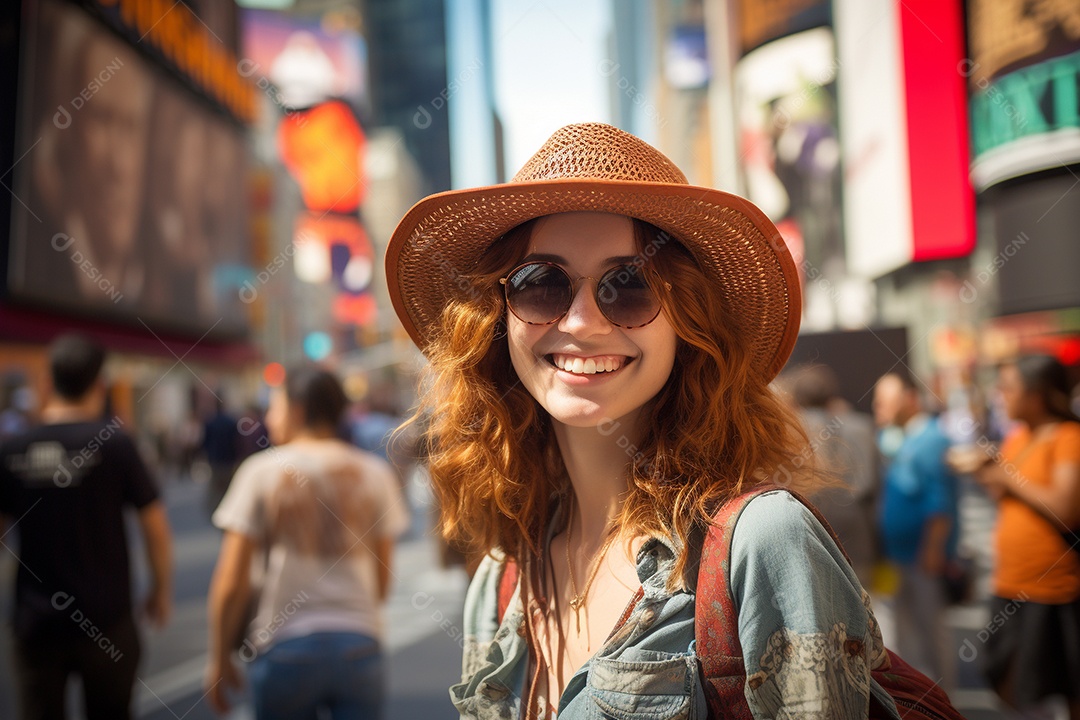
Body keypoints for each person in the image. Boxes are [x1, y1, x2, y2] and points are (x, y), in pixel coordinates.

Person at [387, 123, 907, 719]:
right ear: (496, 321)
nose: (581, 322)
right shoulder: (501, 581)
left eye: (628, 284)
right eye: (540, 284)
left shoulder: (763, 543)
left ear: (690, 323)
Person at [204, 367, 409, 719]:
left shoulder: (260, 472)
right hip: (359, 645)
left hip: (284, 648)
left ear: (296, 410)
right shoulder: (375, 473)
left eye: (276, 406)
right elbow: (382, 580)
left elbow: (231, 580)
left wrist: (219, 657)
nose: (269, 417)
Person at [0, 334, 172, 720]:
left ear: (46, 383)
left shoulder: (13, 450)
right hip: (107, 621)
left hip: (36, 625)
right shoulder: (116, 446)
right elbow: (155, 527)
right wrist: (160, 590)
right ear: (100, 385)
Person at [967, 355, 1080, 719]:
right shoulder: (1017, 438)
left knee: (1052, 686)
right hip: (1010, 582)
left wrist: (1006, 479)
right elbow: (1009, 494)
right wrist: (989, 475)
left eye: (1008, 388)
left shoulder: (1068, 438)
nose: (1000, 396)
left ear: (1038, 395)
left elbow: (1065, 508)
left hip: (1051, 589)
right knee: (1009, 681)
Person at [872, 371, 959, 689]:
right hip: (898, 557)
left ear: (909, 400)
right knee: (906, 635)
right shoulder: (902, 438)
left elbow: (940, 504)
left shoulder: (930, 439)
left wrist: (934, 549)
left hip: (922, 558)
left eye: (884, 401)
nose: (877, 407)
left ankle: (943, 701)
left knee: (932, 633)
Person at [790, 364, 880, 586]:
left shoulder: (789, 430)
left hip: (812, 528)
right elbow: (875, 481)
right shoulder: (862, 426)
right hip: (859, 524)